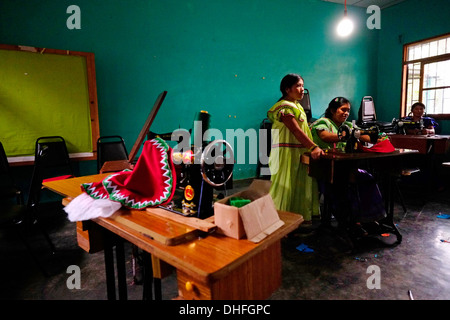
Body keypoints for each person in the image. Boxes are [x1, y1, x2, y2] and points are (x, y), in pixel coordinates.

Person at [310, 97, 386, 237]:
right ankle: (350, 223)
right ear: (333, 110)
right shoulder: (323, 122)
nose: (346, 113)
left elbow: (364, 136)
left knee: (367, 179)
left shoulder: (349, 126)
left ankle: (369, 218)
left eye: (348, 111)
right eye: (343, 110)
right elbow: (325, 136)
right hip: (327, 169)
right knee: (342, 188)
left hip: (345, 167)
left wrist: (378, 137)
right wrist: (346, 135)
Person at [267, 73, 323, 222]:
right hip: (286, 153)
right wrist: (313, 147)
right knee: (284, 187)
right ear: (287, 89)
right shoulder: (284, 107)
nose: (302, 90)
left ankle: (295, 221)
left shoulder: (297, 106)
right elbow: (295, 130)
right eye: (298, 86)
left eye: (303, 86)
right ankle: (279, 221)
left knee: (298, 187)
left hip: (298, 152)